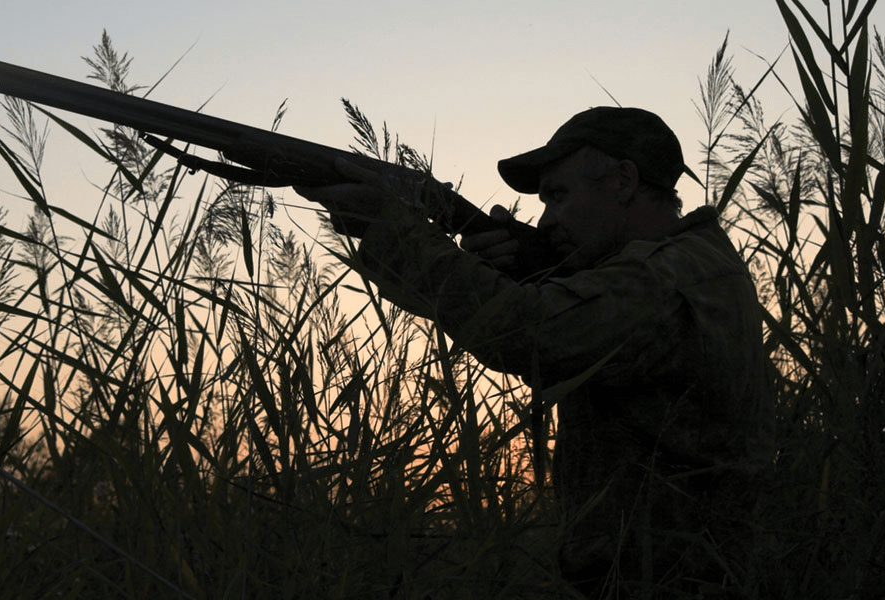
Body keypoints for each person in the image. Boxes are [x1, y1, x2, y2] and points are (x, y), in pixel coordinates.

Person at [295, 107, 772, 598]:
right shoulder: (691, 260)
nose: (547, 220)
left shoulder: (666, 278)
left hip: (668, 582)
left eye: (558, 196)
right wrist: (530, 268)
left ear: (624, 181)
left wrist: (396, 232)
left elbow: (529, 333)